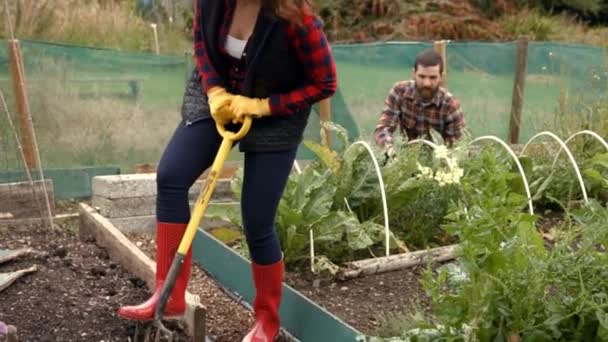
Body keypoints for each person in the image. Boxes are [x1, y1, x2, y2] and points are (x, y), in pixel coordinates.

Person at [117, 0, 337, 340]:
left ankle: (267, 320)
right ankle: (169, 294)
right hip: (221, 94)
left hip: (276, 110)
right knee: (172, 176)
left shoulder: (298, 18)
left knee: (257, 220)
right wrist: (216, 91)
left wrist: (263, 105)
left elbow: (324, 84)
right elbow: (203, 46)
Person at [374, 49, 466, 159]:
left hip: (437, 163)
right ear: (414, 73)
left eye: (433, 77)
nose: (426, 83)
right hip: (406, 158)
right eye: (422, 76)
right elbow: (383, 128)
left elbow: (457, 148)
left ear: (441, 77)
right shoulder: (399, 92)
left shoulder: (450, 106)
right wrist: (389, 149)